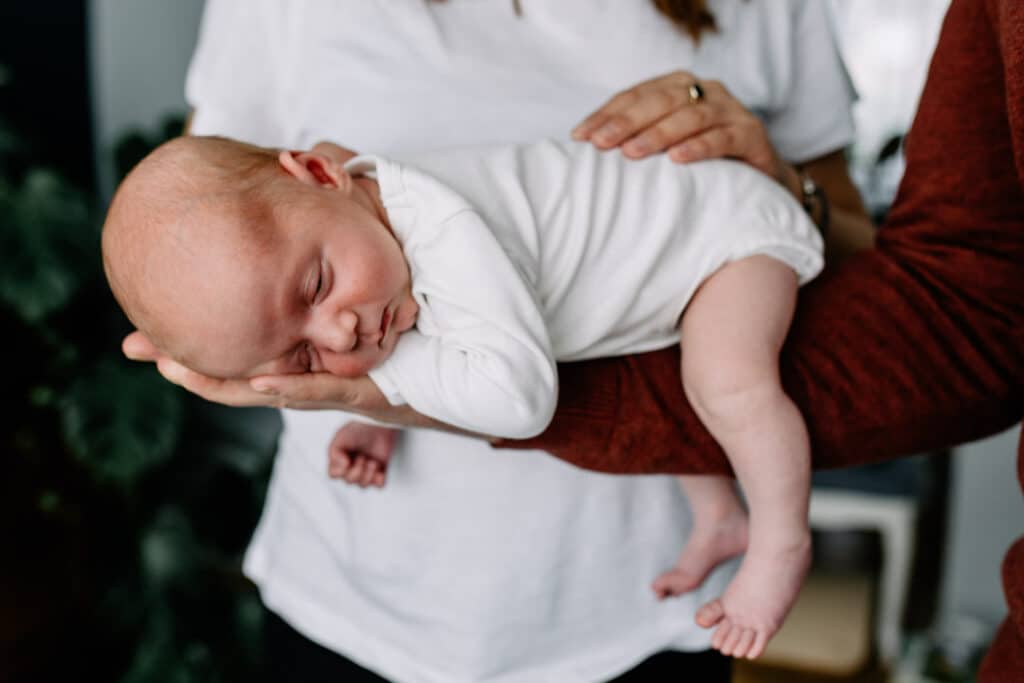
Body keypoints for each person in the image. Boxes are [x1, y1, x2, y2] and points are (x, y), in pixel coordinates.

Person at [127, 2, 869, 680]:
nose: (343, 333)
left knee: (726, 382)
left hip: (723, 255)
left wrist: (783, 178)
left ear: (324, 170)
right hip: (353, 605)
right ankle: (722, 516)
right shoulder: (371, 211)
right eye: (300, 356)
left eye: (319, 288)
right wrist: (364, 415)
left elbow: (520, 397)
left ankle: (781, 544)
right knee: (659, 356)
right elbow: (239, 267)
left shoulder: (447, 227)